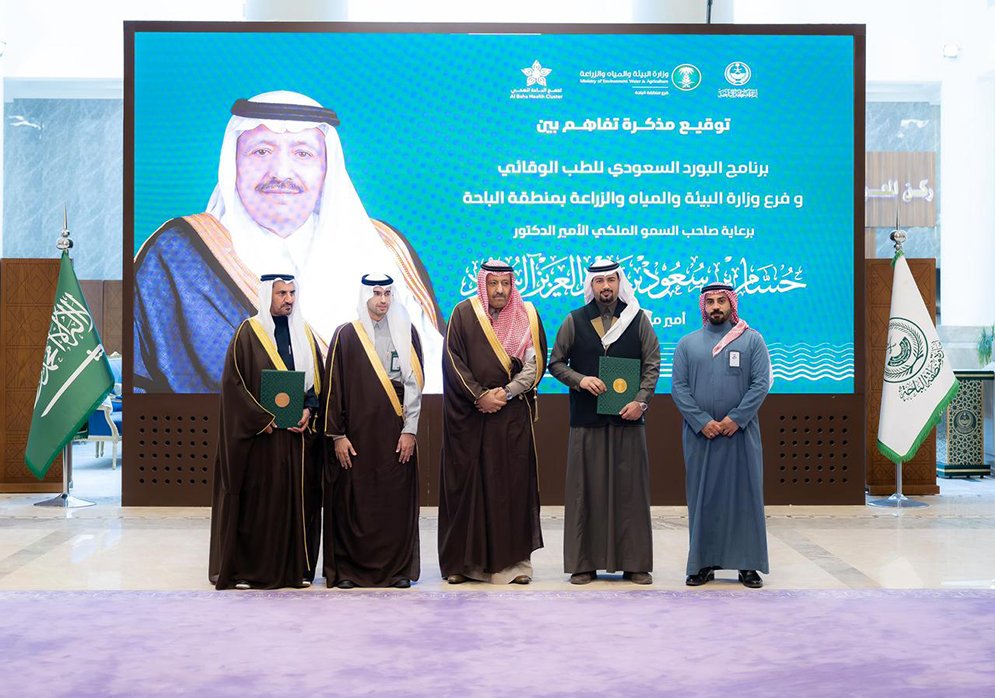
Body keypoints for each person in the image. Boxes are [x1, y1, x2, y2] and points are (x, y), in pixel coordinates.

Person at [134, 90, 445, 394]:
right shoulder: (179, 254)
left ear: (326, 168)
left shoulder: (381, 248)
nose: (281, 172)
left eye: (303, 153)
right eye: (261, 152)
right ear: (234, 163)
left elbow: (430, 373)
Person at [208, 273, 323, 590]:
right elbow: (234, 386)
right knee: (260, 507)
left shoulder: (304, 333)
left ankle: (294, 571)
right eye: (281, 293)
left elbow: (315, 382)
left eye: (292, 293)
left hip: (295, 440)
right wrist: (261, 418)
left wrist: (309, 409)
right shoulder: (248, 333)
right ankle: (249, 572)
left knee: (293, 505)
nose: (288, 299)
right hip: (261, 441)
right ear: (266, 295)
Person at [548, 259, 660, 585]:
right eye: (599, 281)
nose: (606, 286)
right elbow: (556, 363)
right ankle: (584, 564)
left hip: (628, 420)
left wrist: (641, 401)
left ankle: (635, 563)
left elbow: (652, 364)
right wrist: (580, 380)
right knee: (585, 493)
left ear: (619, 282)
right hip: (587, 421)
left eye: (611, 280)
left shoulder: (638, 319)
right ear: (591, 285)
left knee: (630, 494)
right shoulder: (574, 320)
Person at [438, 260, 546, 584]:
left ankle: (514, 566)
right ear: (482, 284)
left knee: (511, 490)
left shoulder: (527, 315)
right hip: (471, 417)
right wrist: (479, 396)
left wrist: (507, 392)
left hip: (511, 418)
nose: (500, 290)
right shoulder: (463, 314)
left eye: (505, 283)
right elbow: (453, 360)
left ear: (512, 285)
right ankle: (464, 566)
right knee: (469, 490)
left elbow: (535, 364)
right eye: (493, 283)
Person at [323, 274, 424, 589]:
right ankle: (349, 572)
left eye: (388, 293)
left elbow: (414, 386)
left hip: (395, 435)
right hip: (356, 437)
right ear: (365, 295)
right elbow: (333, 388)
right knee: (354, 502)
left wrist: (410, 431)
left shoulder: (406, 332)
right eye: (377, 293)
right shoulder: (347, 335)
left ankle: (396, 571)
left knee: (394, 501)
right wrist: (338, 435)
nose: (383, 300)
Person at [671, 283, 771, 589]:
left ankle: (748, 565)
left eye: (721, 301)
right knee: (703, 499)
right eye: (710, 301)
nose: (716, 306)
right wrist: (702, 421)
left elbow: (760, 383)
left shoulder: (752, 340)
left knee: (745, 498)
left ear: (731, 305)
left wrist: (735, 419)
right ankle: (702, 564)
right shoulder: (687, 344)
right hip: (700, 436)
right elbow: (679, 388)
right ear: (703, 306)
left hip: (741, 434)